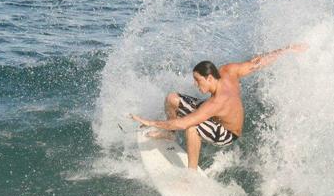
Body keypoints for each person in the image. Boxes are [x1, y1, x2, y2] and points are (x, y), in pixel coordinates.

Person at [130, 43, 308, 169]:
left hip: (227, 133)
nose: (196, 85)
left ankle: (191, 175)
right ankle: (169, 134)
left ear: (209, 78)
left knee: (192, 127)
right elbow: (258, 64)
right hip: (216, 115)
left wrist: (151, 122)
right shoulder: (228, 71)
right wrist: (288, 49)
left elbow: (184, 123)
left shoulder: (217, 102)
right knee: (172, 98)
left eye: (198, 81)